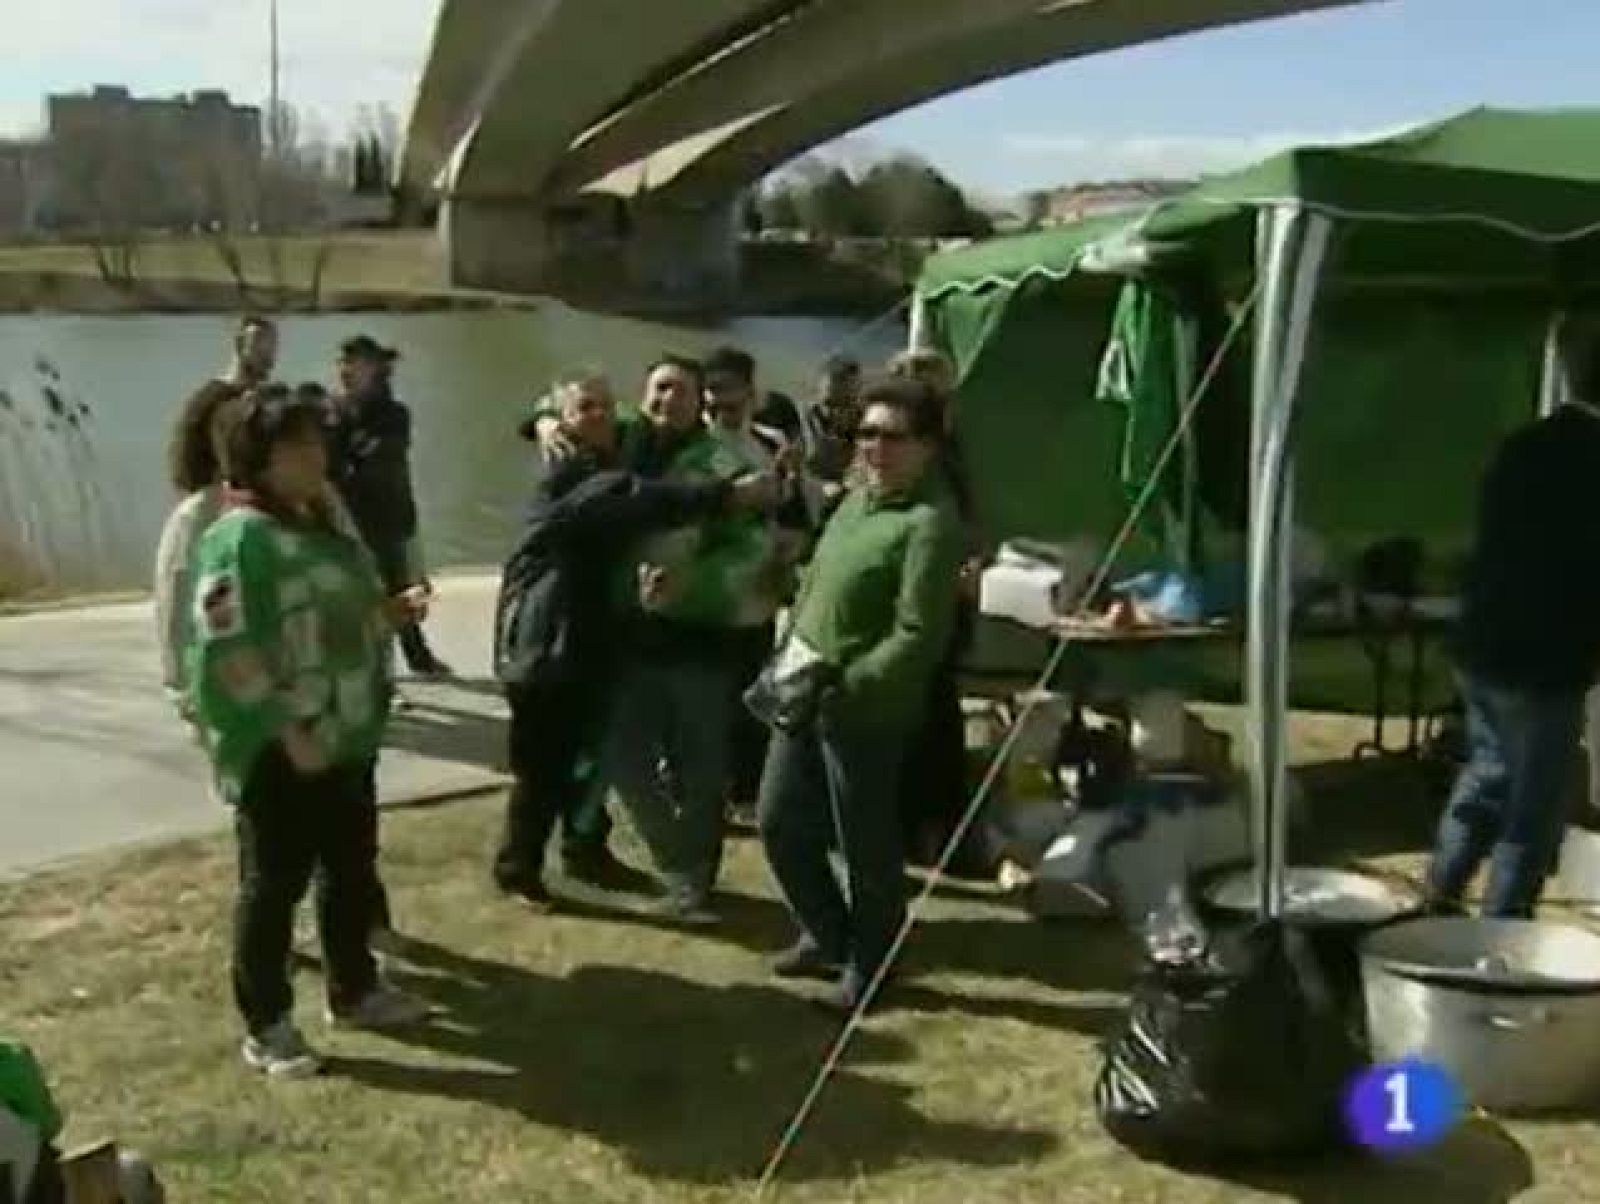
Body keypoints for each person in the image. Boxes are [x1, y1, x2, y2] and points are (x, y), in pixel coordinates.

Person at [187, 385, 430, 1079]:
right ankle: (267, 1025)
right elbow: (225, 647)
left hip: (346, 735)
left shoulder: (316, 521)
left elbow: (329, 623)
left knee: (351, 870)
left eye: (315, 442)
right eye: (297, 446)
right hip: (285, 745)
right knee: (274, 884)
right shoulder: (237, 539)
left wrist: (389, 614)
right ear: (258, 458)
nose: (315, 455)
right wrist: (281, 729)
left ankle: (354, 989)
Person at [491, 369, 777, 907]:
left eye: (684, 391)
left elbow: (756, 546)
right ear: (643, 400)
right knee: (573, 760)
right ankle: (522, 866)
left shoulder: (709, 454)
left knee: (664, 761)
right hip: (561, 637)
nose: (669, 399)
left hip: (682, 639)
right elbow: (636, 498)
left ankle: (609, 856)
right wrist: (545, 419)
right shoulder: (583, 469)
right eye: (660, 389)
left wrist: (698, 580)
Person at [757, 375, 965, 1011]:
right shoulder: (856, 500)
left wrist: (852, 685)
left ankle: (871, 967)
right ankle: (828, 933)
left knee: (865, 844)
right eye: (866, 433)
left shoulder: (929, 522)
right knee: (778, 820)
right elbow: (823, 580)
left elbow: (919, 634)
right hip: (801, 691)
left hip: (863, 711)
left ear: (927, 446)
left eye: (892, 437)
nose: (875, 447)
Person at [1425, 335, 1600, 918]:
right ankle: (1500, 938)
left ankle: (1437, 899)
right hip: (1543, 659)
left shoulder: (1520, 446)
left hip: (1481, 642)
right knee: (1533, 811)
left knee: (1486, 776)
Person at [886, 347, 990, 874]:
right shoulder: (893, 449)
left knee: (936, 720)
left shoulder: (949, 451)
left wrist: (970, 561)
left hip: (942, 607)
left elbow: (968, 520)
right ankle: (915, 836)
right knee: (914, 724)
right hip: (906, 602)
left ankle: (943, 836)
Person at [702, 346, 810, 822]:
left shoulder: (770, 444)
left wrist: (787, 559)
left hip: (758, 597)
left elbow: (792, 516)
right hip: (704, 599)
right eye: (712, 392)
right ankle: (704, 784)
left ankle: (746, 789)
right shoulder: (690, 443)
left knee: (751, 696)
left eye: (730, 391)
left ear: (751, 391)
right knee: (706, 698)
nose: (720, 402)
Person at [328, 334, 451, 680]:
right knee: (359, 598)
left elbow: (377, 461)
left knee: (399, 590)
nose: (348, 369)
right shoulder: (331, 410)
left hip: (388, 516)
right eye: (344, 362)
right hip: (344, 517)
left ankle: (416, 661)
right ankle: (384, 673)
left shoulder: (394, 414)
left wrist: (345, 463)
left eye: (359, 362)